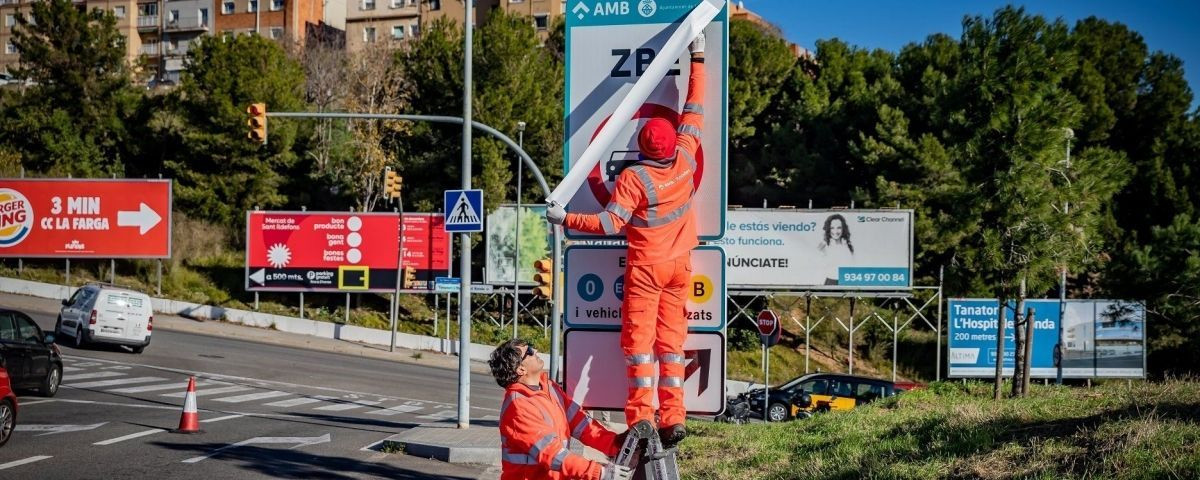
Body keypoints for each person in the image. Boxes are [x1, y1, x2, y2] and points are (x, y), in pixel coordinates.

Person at [546, 32, 707, 448]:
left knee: (637, 347)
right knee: (671, 347)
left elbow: (610, 224)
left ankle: (642, 418)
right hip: (680, 266)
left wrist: (566, 218)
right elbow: (695, 106)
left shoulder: (636, 178)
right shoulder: (688, 154)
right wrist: (699, 55)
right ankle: (675, 418)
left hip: (647, 269)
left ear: (639, 147)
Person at [489, 339, 633, 480]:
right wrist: (600, 473)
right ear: (521, 369)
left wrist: (615, 445)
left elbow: (581, 424)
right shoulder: (519, 408)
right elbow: (553, 454)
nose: (536, 350)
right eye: (530, 351)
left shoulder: (549, 388)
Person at [817, 213, 854, 285]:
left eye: (839, 227)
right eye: (832, 228)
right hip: (831, 282)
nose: (836, 231)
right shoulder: (823, 245)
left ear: (843, 229)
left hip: (846, 282)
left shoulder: (848, 246)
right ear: (828, 228)